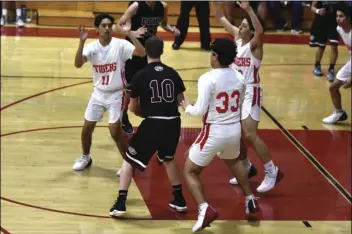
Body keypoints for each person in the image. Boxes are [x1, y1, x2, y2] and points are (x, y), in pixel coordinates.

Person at [180, 38, 260, 233]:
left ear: (215, 56)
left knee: (189, 171)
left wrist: (186, 107)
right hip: (234, 130)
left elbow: (199, 110)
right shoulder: (240, 77)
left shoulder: (208, 78)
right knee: (234, 162)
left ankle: (203, 209)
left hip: (214, 131)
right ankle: (250, 198)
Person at [109, 36, 187, 217]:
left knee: (129, 159)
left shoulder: (140, 75)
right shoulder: (173, 73)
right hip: (174, 122)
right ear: (162, 51)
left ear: (145, 52)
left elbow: (133, 108)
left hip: (154, 123)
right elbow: (181, 101)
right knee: (169, 158)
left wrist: (148, 114)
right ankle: (179, 198)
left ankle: (120, 202)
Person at [212, 1, 284, 193]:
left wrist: (248, 9)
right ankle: (246, 166)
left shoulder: (255, 45)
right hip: (237, 91)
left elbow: (260, 30)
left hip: (251, 91)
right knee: (235, 133)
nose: (240, 26)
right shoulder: (238, 38)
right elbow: (220, 16)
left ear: (251, 31)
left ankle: (272, 171)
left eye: (244, 25)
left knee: (250, 134)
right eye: (241, 24)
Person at [72, 13, 145, 171]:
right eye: (103, 26)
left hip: (117, 94)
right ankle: (85, 157)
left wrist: (129, 34)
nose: (107, 28)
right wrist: (81, 42)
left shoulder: (120, 45)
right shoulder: (91, 47)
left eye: (109, 25)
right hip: (98, 93)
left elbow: (141, 52)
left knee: (114, 132)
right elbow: (78, 64)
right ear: (97, 28)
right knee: (86, 128)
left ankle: (128, 163)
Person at [113, 1, 180, 135]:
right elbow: (116, 27)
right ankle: (123, 116)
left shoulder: (163, 6)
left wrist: (172, 29)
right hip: (134, 50)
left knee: (149, 85)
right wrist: (133, 33)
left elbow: (163, 24)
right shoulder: (136, 6)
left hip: (150, 51)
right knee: (129, 88)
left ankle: (151, 118)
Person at [322, 3, 351, 124]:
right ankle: (339, 113)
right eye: (337, 16)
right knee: (333, 87)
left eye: (342, 16)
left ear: (349, 18)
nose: (338, 18)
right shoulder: (339, 29)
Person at [310, 1, 340, 81]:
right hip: (321, 21)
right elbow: (312, 7)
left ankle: (331, 69)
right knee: (321, 46)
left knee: (334, 46)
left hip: (334, 22)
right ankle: (317, 65)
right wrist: (318, 11)